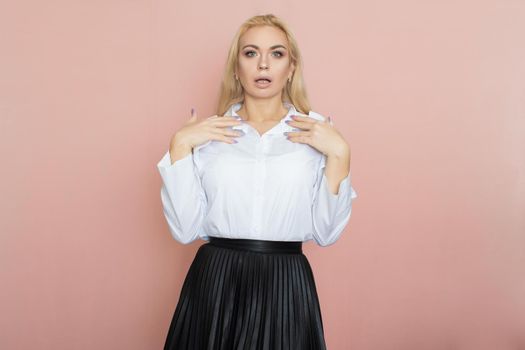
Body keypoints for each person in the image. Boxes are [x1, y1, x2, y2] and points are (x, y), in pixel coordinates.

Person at [157, 13, 358, 350]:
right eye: (251, 53)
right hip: (215, 282)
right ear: (236, 68)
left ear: (291, 67)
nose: (263, 64)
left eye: (276, 54)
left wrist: (340, 154)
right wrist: (180, 147)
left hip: (286, 284)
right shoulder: (208, 136)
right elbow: (184, 230)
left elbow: (327, 233)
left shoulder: (318, 134)